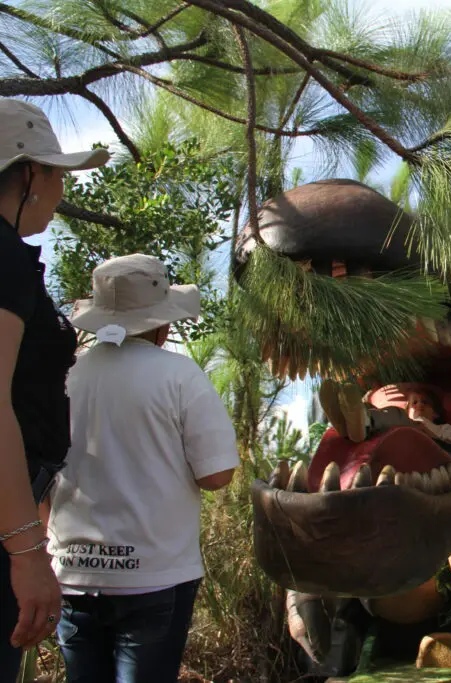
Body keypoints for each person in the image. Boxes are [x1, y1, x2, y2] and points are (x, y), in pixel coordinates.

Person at [45, 254, 240, 683]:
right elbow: (216, 476)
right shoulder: (179, 376)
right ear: (162, 323)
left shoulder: (63, 375)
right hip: (155, 573)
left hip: (72, 572)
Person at [0, 98, 110, 681]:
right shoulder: (6, 261)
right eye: (56, 172)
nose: (60, 189)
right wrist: (25, 552)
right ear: (26, 175)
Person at [320, 381, 451, 450]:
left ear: (436, 413)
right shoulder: (402, 421)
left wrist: (427, 433)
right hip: (394, 440)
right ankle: (347, 426)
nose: (419, 405)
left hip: (429, 449)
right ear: (408, 410)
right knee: (379, 412)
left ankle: (360, 425)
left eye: (425, 403)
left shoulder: (444, 429)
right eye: (414, 402)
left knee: (395, 414)